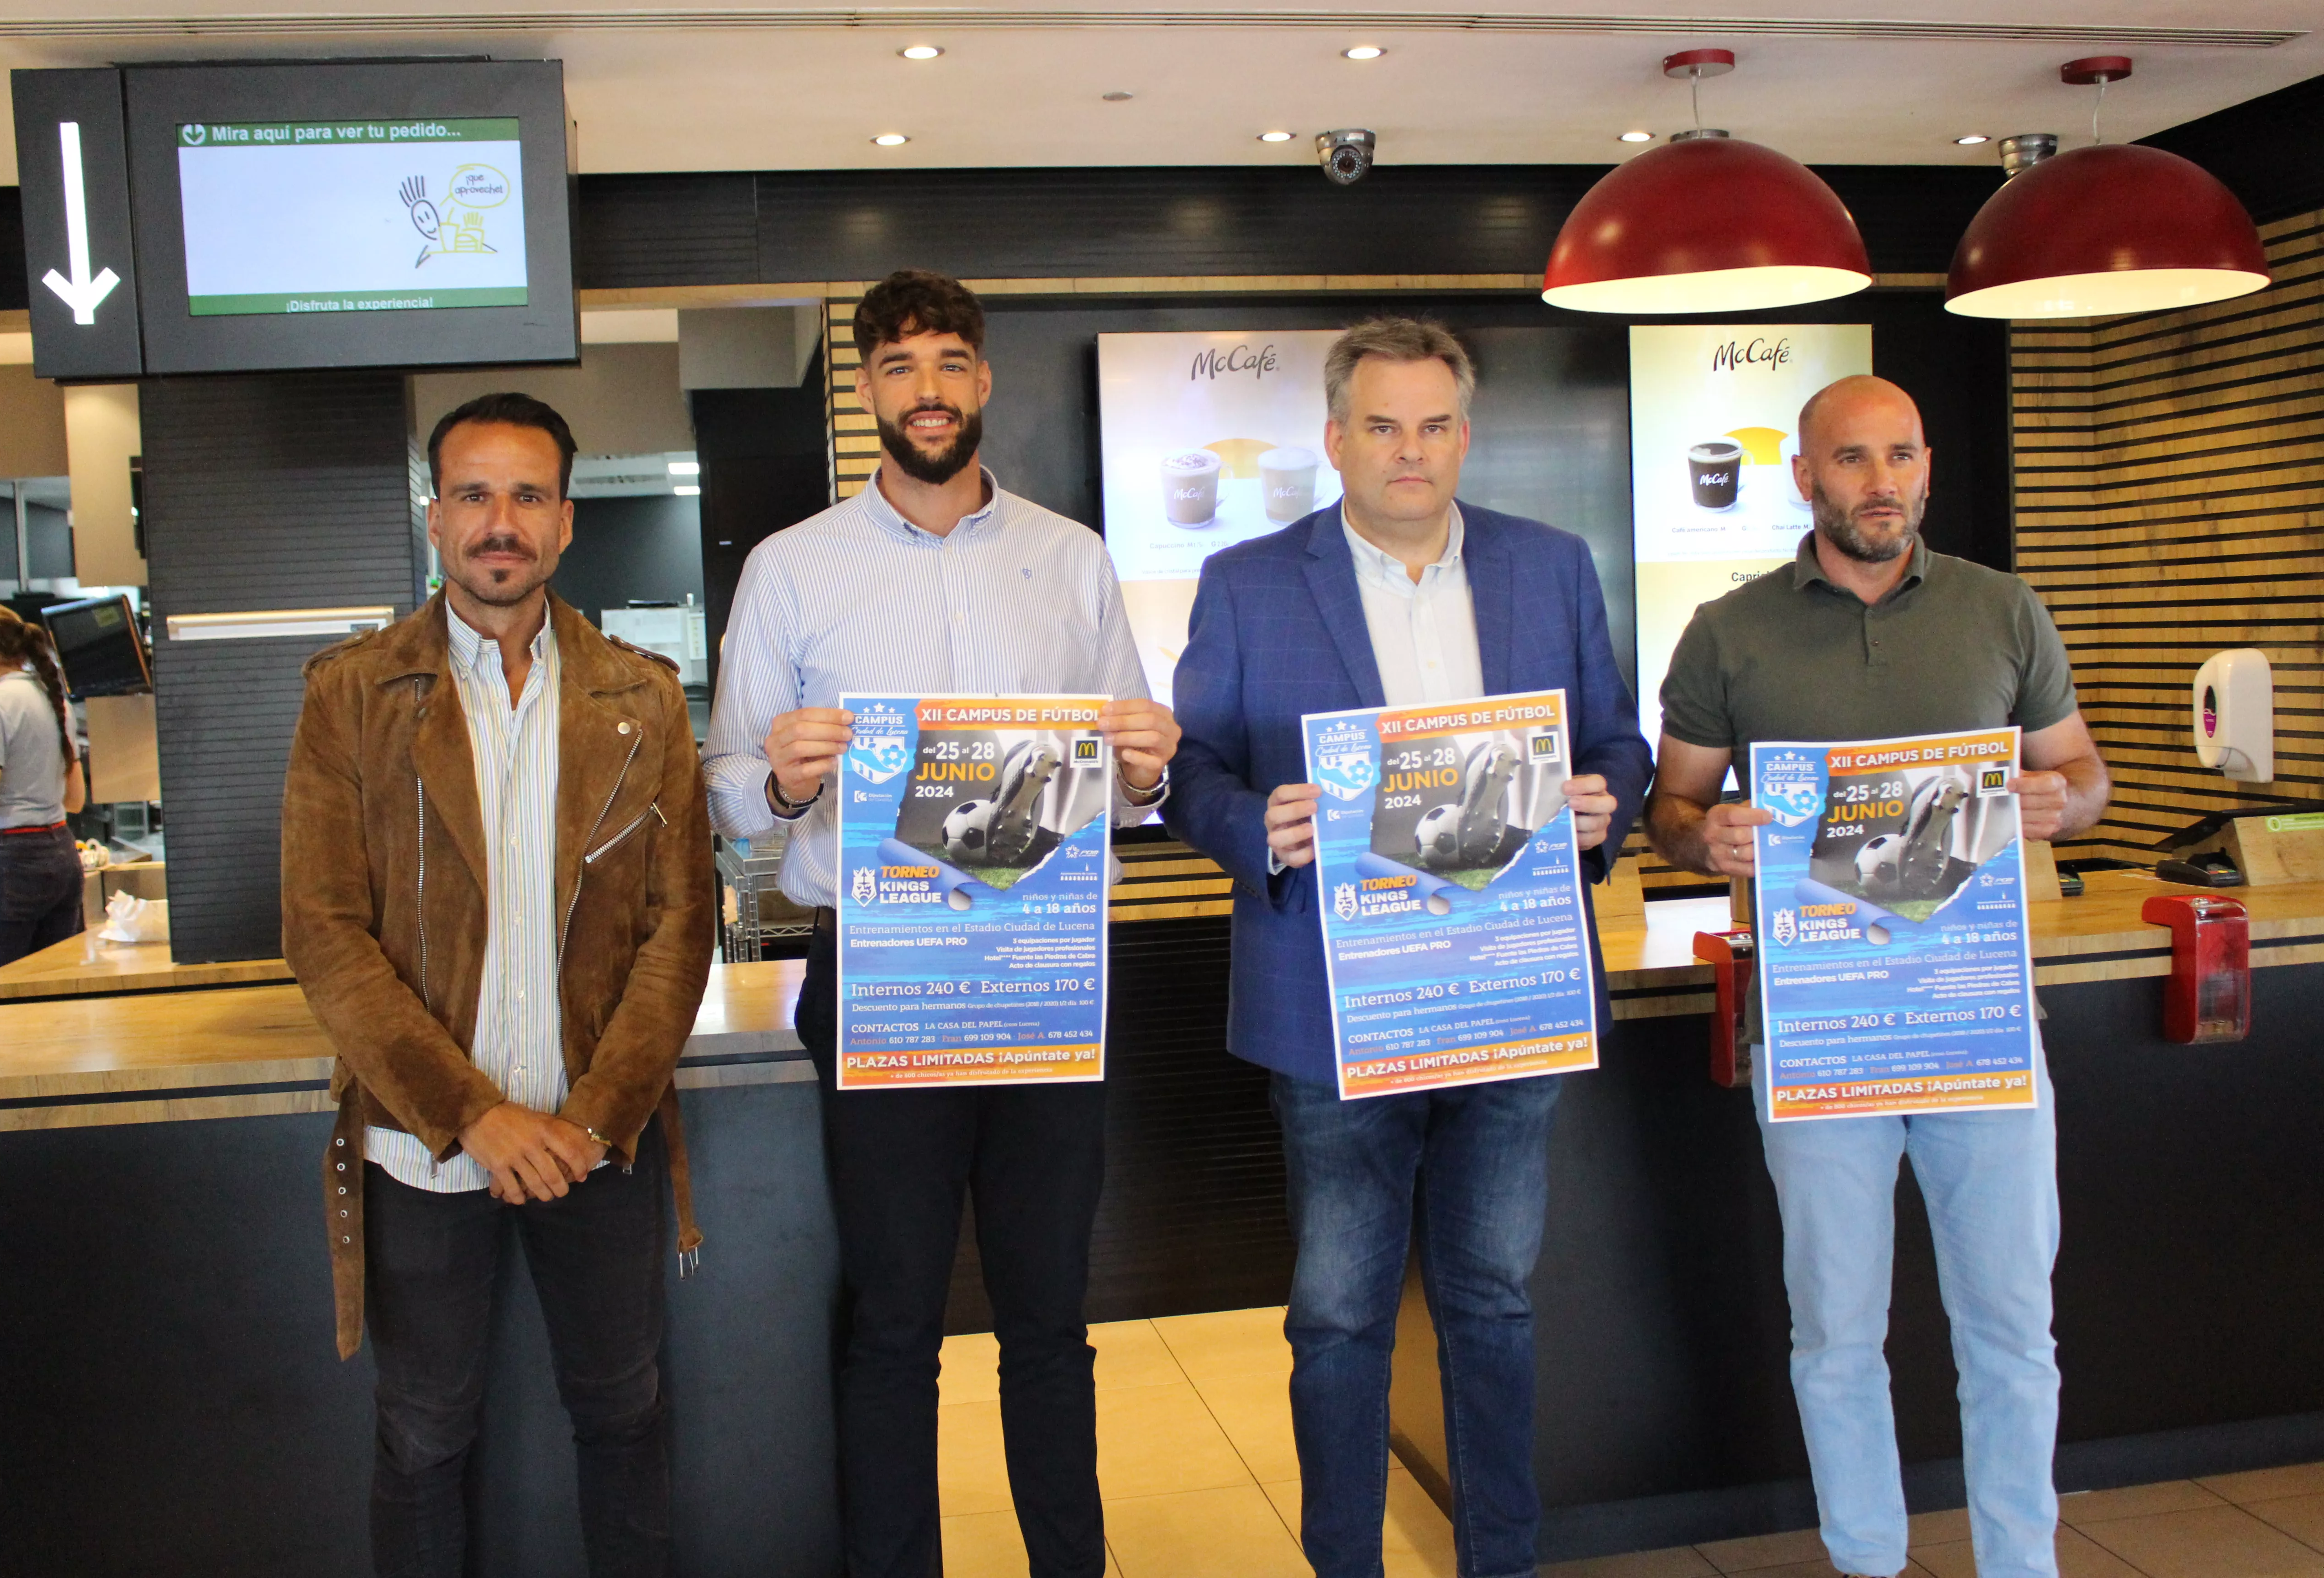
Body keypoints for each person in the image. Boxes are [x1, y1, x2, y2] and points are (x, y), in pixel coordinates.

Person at [703, 268, 1181, 1578]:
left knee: (1047, 1318)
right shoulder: (794, 572)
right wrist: (787, 777)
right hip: (880, 973)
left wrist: (1147, 769)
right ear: (868, 392)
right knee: (894, 1321)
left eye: (951, 362)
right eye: (902, 364)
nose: (929, 388)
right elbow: (732, 801)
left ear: (983, 382)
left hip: (1040, 968)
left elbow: (1129, 791)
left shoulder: (1069, 557)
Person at [1164, 317, 1652, 1578]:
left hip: (1511, 994)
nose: (1410, 452)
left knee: (1492, 1301)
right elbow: (1190, 773)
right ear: (1336, 440)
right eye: (1382, 426)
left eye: (1435, 425)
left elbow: (1615, 741)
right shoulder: (1248, 581)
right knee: (1337, 1316)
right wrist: (1251, 825)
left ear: (1465, 436)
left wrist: (1606, 803)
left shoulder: (1550, 567)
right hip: (1334, 1009)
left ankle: (1501, 1561)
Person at [1645, 374, 2110, 1578]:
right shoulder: (1729, 630)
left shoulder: (2005, 612)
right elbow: (1673, 806)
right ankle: (1868, 1561)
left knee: (2013, 1327)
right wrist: (1708, 839)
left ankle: (2024, 1563)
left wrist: (2064, 803)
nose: (1880, 483)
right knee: (1837, 1333)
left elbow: (2084, 774)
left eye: (1900, 455)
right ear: (1804, 476)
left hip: (1979, 1028)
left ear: (1927, 467)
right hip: (1818, 1033)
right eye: (1851, 460)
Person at [281, 391, 716, 1578]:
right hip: (425, 1151)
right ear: (436, 519)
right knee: (424, 1439)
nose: (500, 521)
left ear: (566, 522)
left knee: (625, 1416)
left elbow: (683, 927)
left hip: (599, 1141)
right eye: (474, 494)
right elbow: (323, 933)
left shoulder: (642, 696)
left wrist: (592, 1115)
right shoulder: (352, 697)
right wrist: (475, 1112)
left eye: (527, 495)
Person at [0, 602, 87, 979]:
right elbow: (74, 799)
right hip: (62, 860)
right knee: (51, 995)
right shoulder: (52, 699)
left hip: (9, 866)